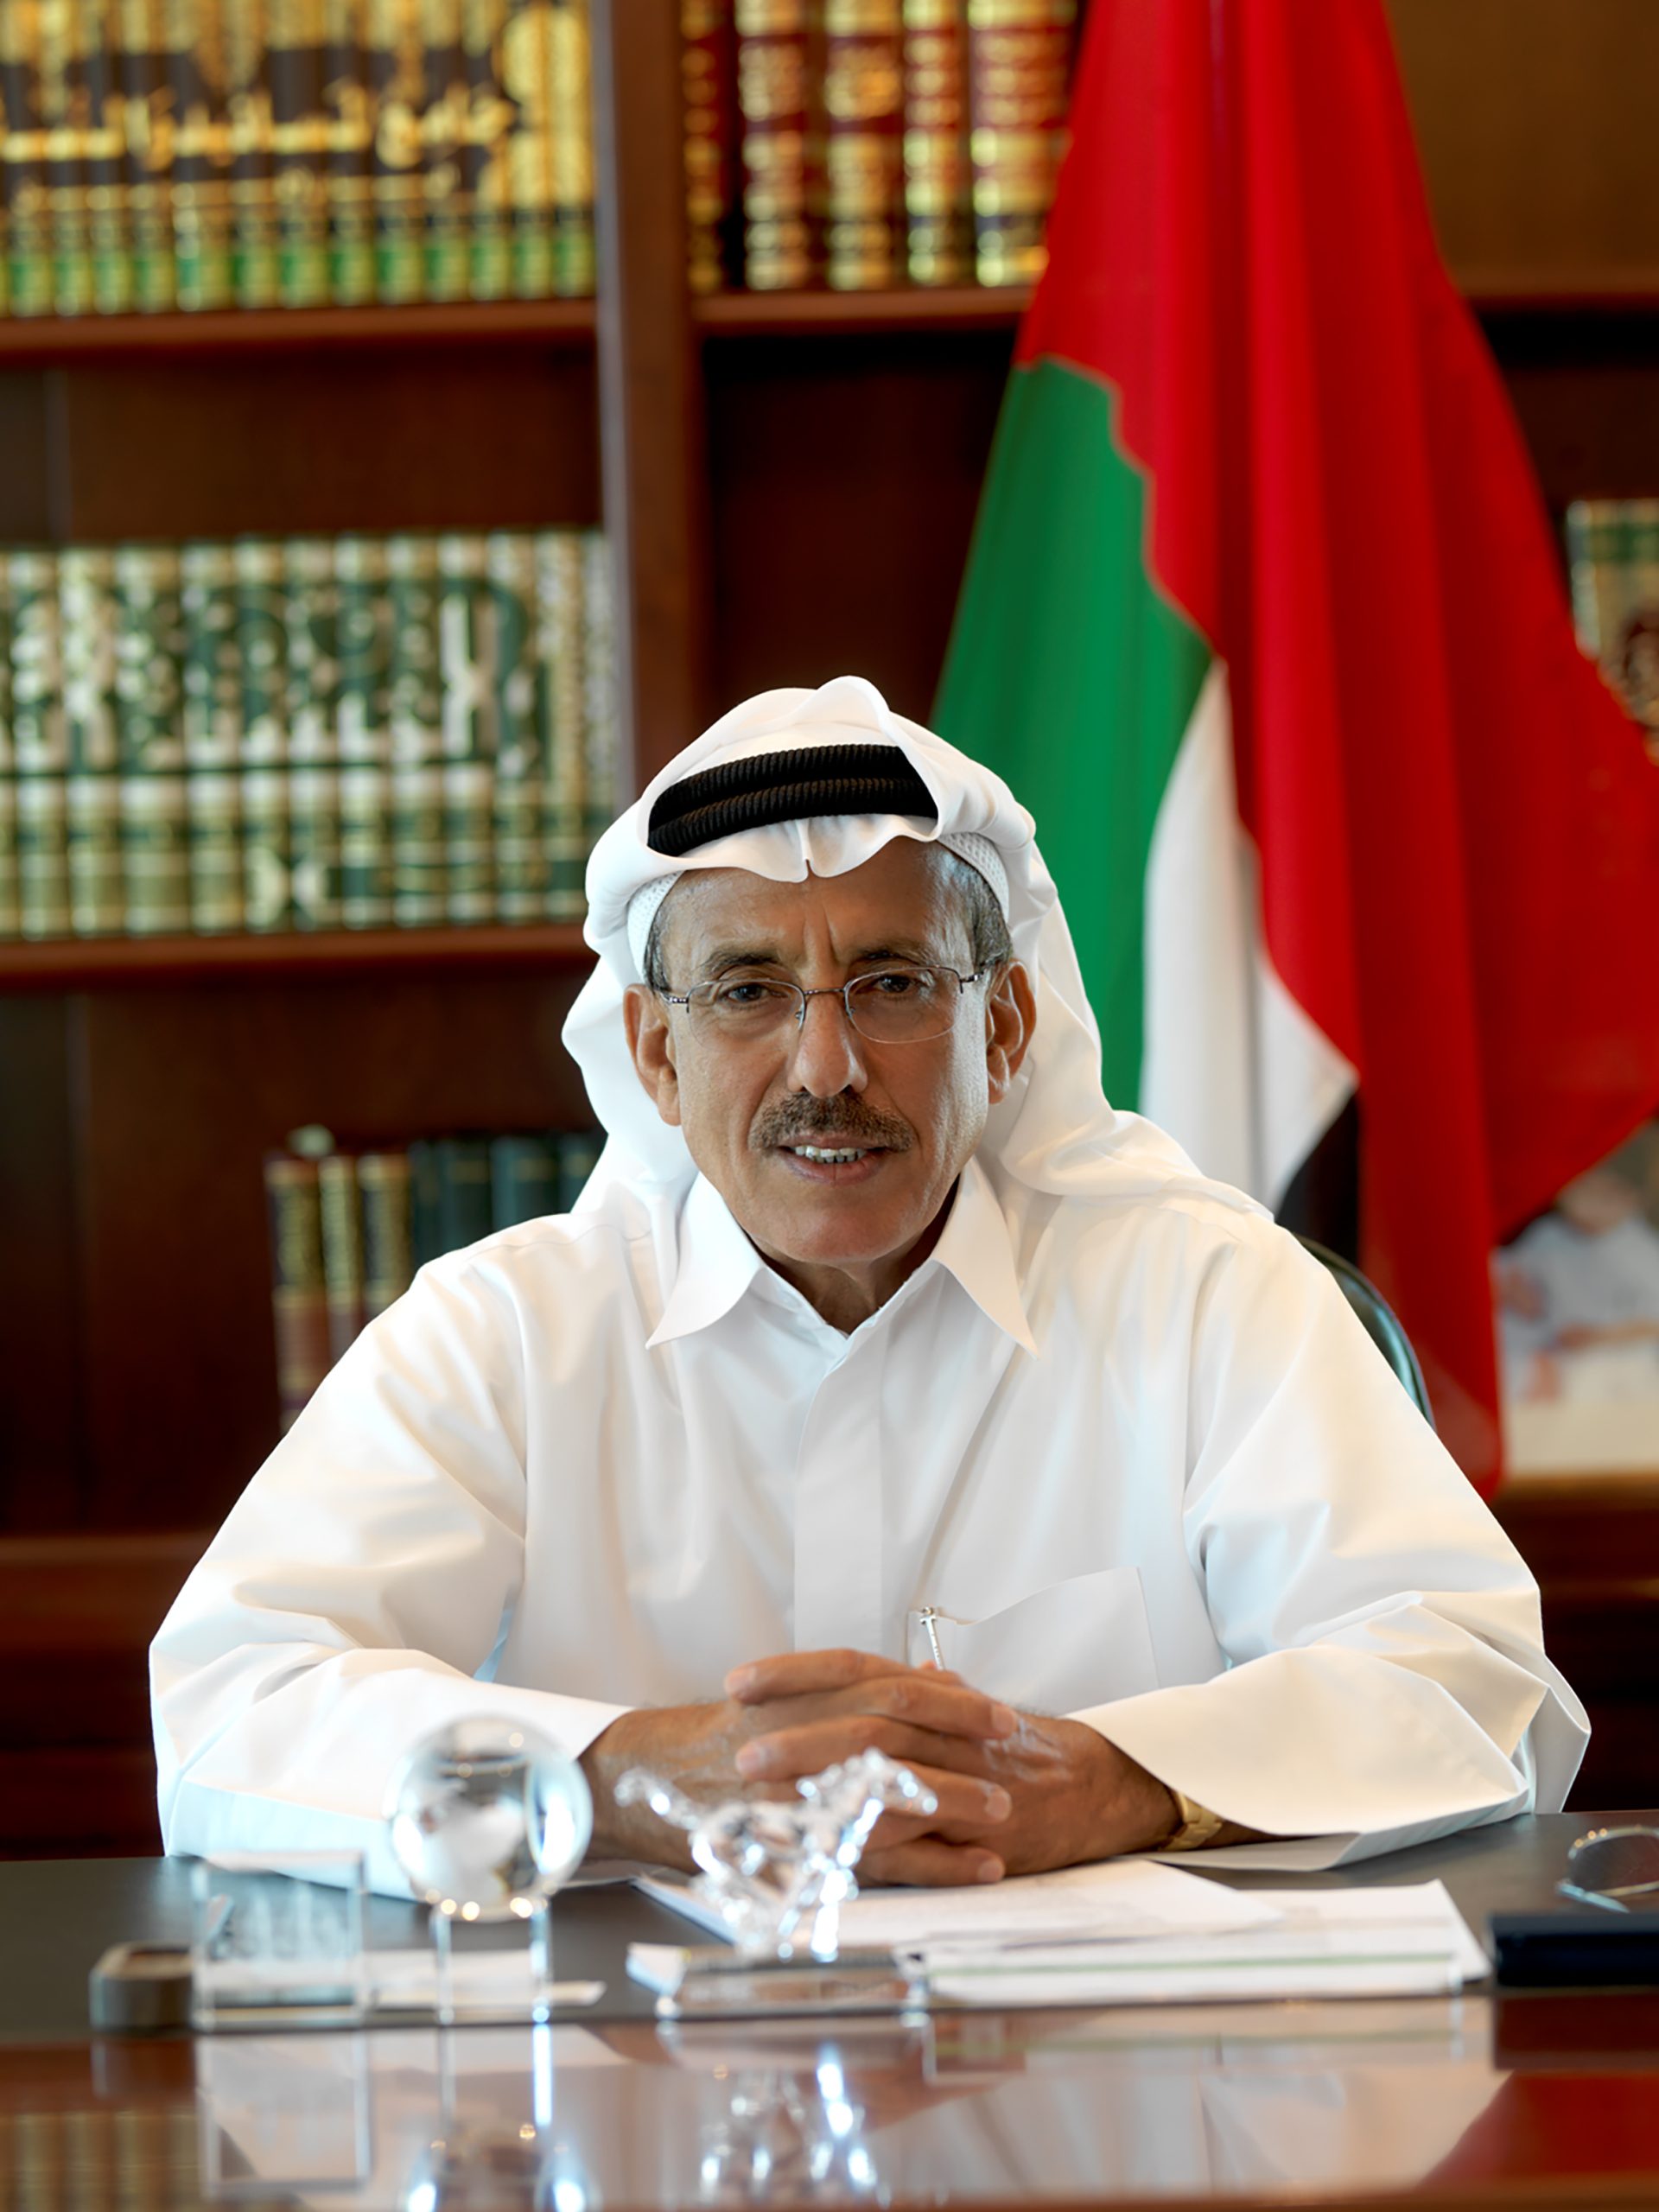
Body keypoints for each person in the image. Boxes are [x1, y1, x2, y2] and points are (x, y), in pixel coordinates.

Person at [150, 677, 1586, 1895]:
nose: (824, 1068)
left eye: (892, 984)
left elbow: (1476, 1683)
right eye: (747, 992)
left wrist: (1120, 1782)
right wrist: (623, 1777)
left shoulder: (1207, 1294)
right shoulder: (507, 1334)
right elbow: (229, 1704)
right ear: (654, 1054)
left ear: (1004, 1027)